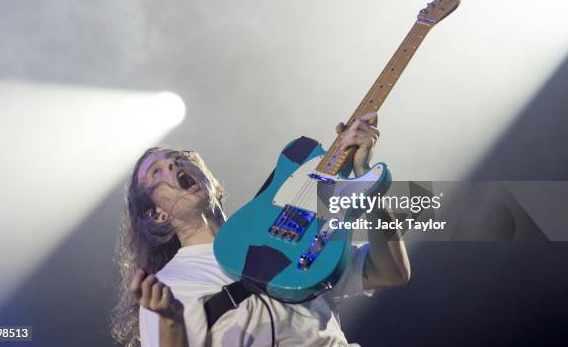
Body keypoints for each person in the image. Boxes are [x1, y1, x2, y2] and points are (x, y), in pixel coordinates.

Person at [111, 112, 410, 347]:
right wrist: (171, 324)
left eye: (180, 159)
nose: (175, 167)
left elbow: (390, 271)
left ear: (210, 179)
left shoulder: (289, 231)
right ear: (157, 215)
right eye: (157, 172)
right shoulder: (172, 285)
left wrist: (365, 183)